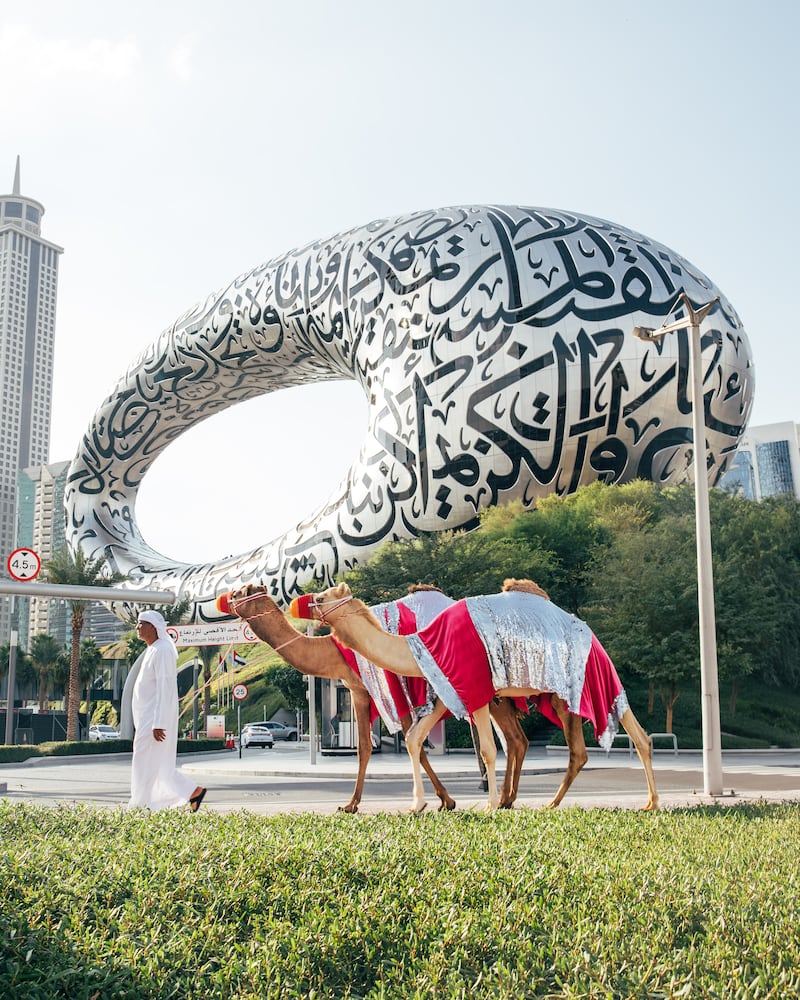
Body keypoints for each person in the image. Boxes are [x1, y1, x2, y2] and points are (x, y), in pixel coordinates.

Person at [129, 610, 207, 812]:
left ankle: (141, 805)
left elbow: (165, 688)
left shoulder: (162, 650)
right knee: (156, 765)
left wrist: (159, 723)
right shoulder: (155, 649)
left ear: (154, 627)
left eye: (142, 623)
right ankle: (192, 792)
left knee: (145, 763)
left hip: (154, 720)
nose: (138, 627)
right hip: (148, 718)